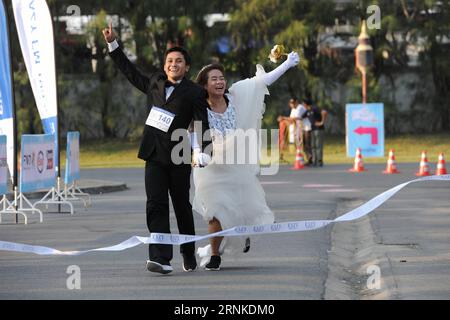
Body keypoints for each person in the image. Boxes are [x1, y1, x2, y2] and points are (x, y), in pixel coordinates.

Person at [102, 22, 211, 274]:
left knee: (182, 206)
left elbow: (201, 122)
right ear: (165, 66)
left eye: (179, 61)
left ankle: (187, 251)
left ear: (187, 67)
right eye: (170, 60)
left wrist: (203, 150)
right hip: (153, 153)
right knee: (155, 205)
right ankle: (161, 258)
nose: (174, 64)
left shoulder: (194, 92)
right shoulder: (154, 82)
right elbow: (129, 71)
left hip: (179, 154)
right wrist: (113, 44)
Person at [191, 52, 300, 270]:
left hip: (237, 165)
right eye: (214, 79)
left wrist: (286, 65)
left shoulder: (236, 95)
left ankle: (240, 235)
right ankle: (214, 255)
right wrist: (196, 153)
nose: (220, 81)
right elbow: (192, 130)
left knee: (240, 207)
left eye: (221, 77)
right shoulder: (198, 106)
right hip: (210, 167)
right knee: (215, 211)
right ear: (204, 85)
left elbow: (261, 82)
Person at [302, 99, 327, 167]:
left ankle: (320, 161)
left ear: (306, 104)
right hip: (312, 129)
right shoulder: (307, 111)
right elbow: (299, 117)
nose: (303, 105)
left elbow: (324, 112)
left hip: (319, 129)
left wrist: (322, 122)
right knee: (313, 146)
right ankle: (314, 161)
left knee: (318, 146)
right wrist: (285, 119)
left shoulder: (315, 109)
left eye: (303, 104)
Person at [298, 101, 312, 165]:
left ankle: (310, 159)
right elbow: (300, 118)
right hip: (305, 128)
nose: (303, 105)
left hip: (307, 128)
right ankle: (309, 158)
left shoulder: (306, 110)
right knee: (305, 145)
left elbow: (299, 118)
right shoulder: (306, 110)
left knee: (307, 144)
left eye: (304, 104)